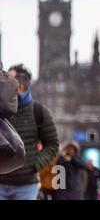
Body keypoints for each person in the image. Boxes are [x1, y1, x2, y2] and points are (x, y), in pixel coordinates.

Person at [0, 64, 59, 200]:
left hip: (26, 185)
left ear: (20, 86)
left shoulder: (39, 111)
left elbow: (53, 144)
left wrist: (34, 165)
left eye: (7, 79)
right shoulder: (1, 108)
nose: (3, 82)